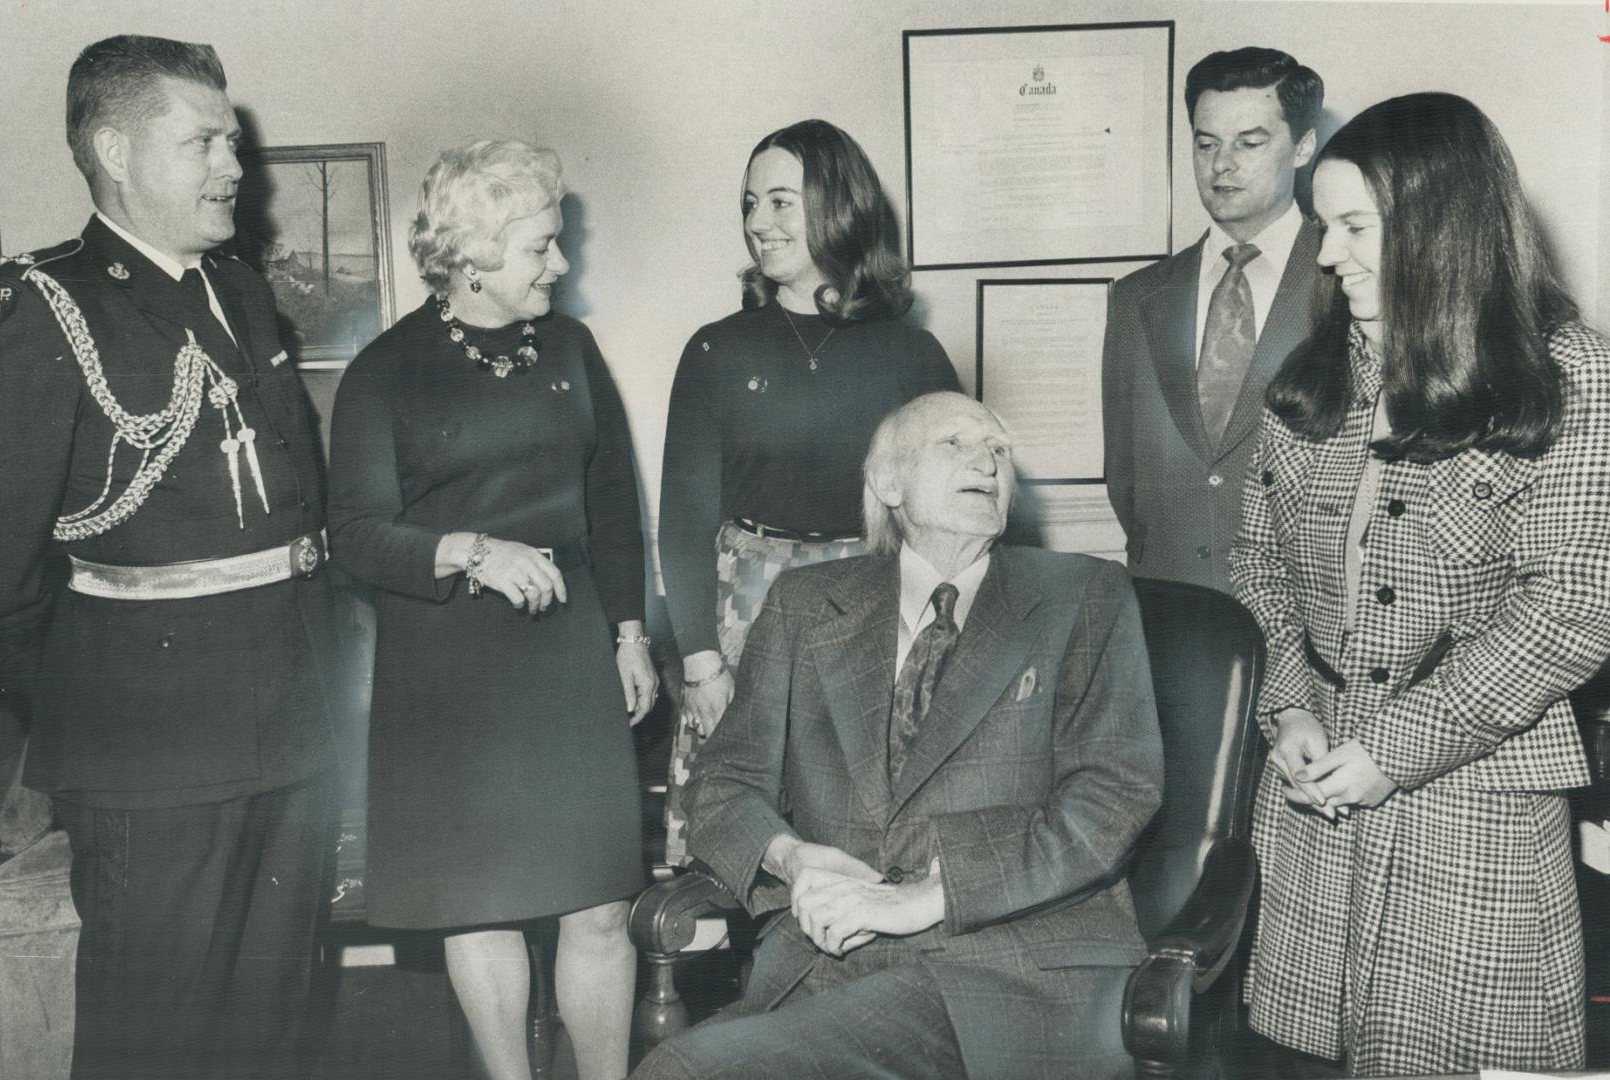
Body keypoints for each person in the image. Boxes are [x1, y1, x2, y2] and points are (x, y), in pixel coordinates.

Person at [0, 35, 336, 1080]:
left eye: (230, 140)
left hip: (292, 728)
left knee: (276, 1024)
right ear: (113, 149)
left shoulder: (243, 296)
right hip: (148, 754)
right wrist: (92, 692)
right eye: (200, 141)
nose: (232, 167)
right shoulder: (37, 309)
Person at [1229, 92, 1610, 1076]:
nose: (1327, 254)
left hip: (1473, 806)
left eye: (1357, 226)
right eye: (1325, 225)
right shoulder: (1312, 380)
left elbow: (1569, 609)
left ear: (1441, 227)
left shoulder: (1566, 376)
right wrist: (1284, 713)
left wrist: (1394, 750)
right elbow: (1260, 568)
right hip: (1312, 797)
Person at [635, 392, 1164, 1080]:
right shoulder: (805, 602)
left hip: (1011, 970)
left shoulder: (1081, 594)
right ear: (888, 483)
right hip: (832, 961)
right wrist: (793, 859)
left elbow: (1113, 795)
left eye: (998, 450)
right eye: (954, 443)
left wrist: (925, 897)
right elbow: (724, 781)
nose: (987, 460)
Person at [327, 139, 656, 1080]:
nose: (561, 264)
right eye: (539, 247)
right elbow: (351, 533)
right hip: (449, 674)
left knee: (596, 905)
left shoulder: (571, 349)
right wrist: (467, 551)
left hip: (566, 662)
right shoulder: (385, 373)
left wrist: (629, 634)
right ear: (469, 257)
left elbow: (612, 511)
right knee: (482, 905)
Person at [659, 118, 958, 864]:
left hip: (876, 606)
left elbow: (961, 511)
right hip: (747, 613)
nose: (758, 223)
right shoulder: (715, 350)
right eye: (749, 204)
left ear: (838, 206)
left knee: (867, 834)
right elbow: (683, 517)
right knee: (747, 837)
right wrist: (700, 660)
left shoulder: (910, 353)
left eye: (781, 202)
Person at [1102, 47, 1322, 592]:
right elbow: (1125, 478)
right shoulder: (1136, 298)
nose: (1222, 165)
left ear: (1303, 147)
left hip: (1308, 617)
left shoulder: (1350, 283)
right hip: (1172, 610)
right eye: (1207, 143)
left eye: (1250, 143)